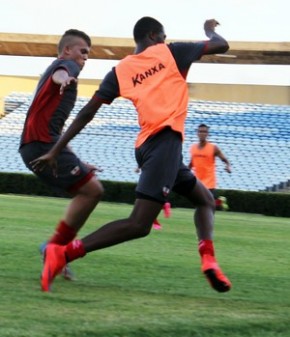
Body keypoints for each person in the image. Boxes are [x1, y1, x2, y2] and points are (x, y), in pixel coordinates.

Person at [31, 17, 232, 293]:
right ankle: (63, 254)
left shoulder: (120, 70)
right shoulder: (170, 51)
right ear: (153, 36)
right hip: (165, 142)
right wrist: (209, 29)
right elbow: (221, 45)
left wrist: (56, 149)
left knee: (205, 200)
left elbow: (88, 113)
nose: (163, 40)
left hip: (148, 146)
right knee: (139, 224)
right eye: (162, 36)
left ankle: (209, 260)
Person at [19, 29, 104, 280]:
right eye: (83, 51)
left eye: (88, 54)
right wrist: (65, 77)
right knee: (93, 191)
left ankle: (55, 248)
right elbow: (63, 72)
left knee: (87, 190)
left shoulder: (56, 74)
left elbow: (54, 128)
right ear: (67, 50)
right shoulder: (65, 67)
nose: (85, 58)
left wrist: (74, 159)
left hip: (39, 145)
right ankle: (54, 248)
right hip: (40, 145)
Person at [189, 123, 231, 210]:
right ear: (197, 133)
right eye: (200, 131)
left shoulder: (213, 148)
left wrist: (227, 166)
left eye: (204, 132)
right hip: (197, 181)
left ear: (208, 134)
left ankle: (218, 203)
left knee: (207, 206)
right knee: (201, 204)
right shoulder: (193, 148)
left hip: (209, 181)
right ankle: (219, 202)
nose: (202, 133)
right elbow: (192, 163)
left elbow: (224, 159)